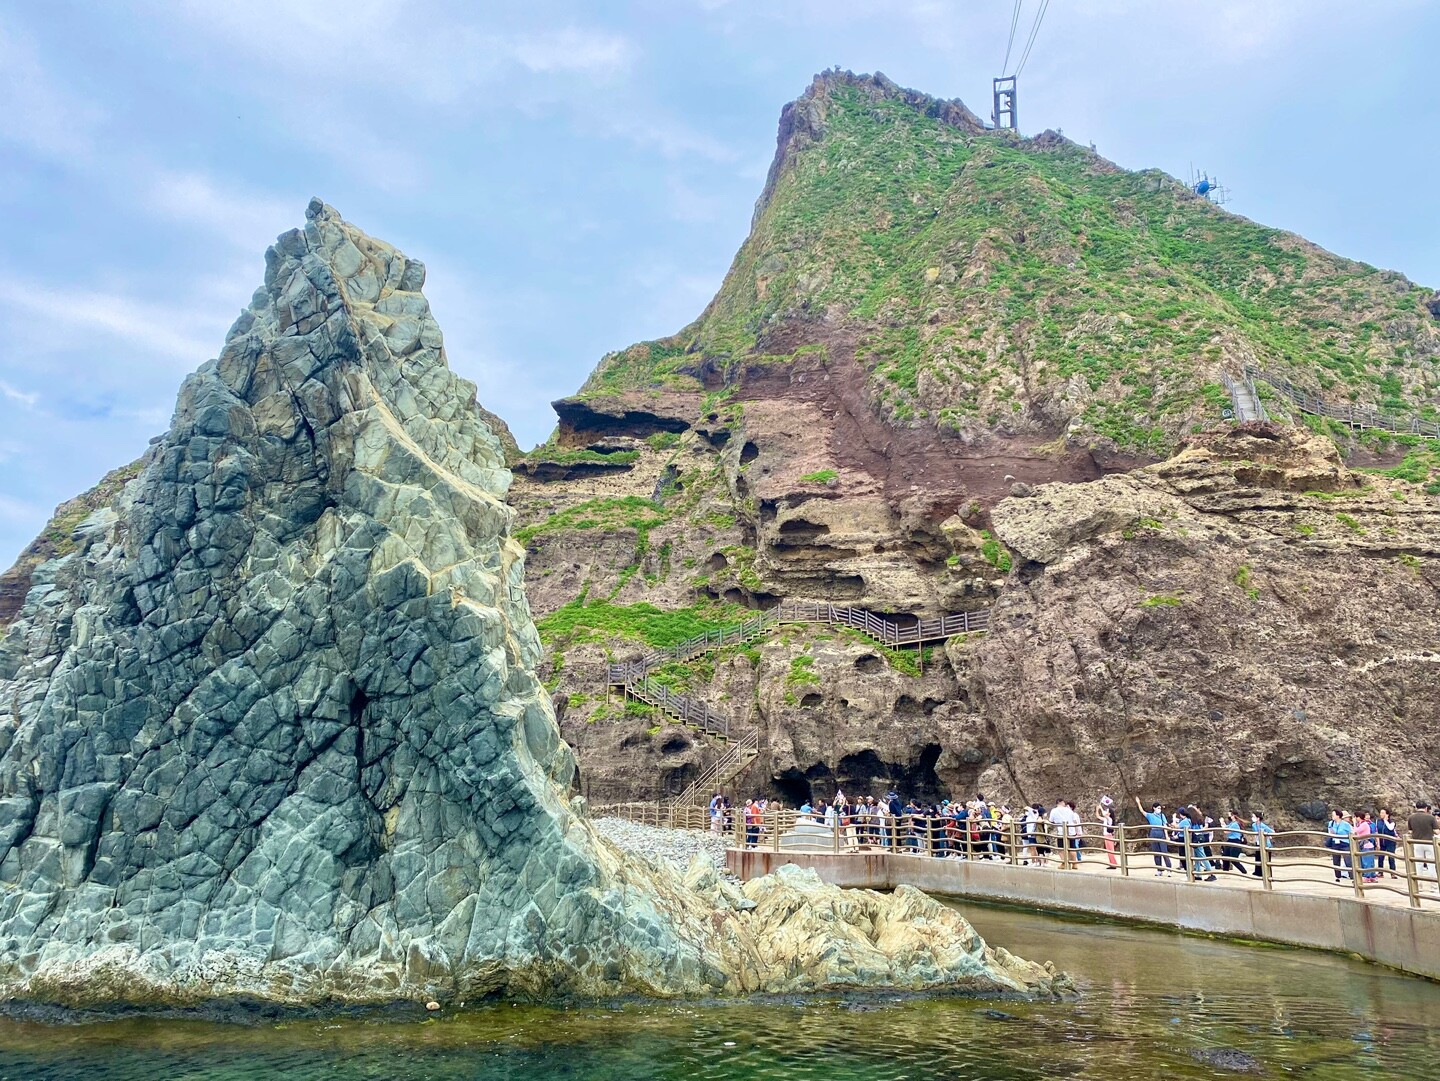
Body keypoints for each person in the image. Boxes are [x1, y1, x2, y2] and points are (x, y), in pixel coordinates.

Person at [1407, 801, 1438, 894]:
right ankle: (1434, 887)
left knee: (1418, 865)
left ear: (1416, 808)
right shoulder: (1430, 817)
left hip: (1416, 843)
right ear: (1425, 808)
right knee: (1431, 865)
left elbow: (1410, 831)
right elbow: (1436, 831)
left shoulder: (1411, 817)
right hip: (1429, 842)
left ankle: (1419, 886)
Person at [1136, 797, 1171, 875]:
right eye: (1158, 808)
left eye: (1160, 808)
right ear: (1154, 808)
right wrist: (1138, 803)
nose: (1159, 809)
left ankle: (1169, 869)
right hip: (1153, 832)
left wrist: (1167, 835)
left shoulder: (1162, 816)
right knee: (1156, 852)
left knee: (1164, 852)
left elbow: (1165, 825)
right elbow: (1142, 811)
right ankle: (1159, 870)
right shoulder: (1150, 815)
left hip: (1161, 832)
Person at [1327, 808, 1353, 882]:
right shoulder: (1331, 823)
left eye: (1334, 814)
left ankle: (1352, 876)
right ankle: (1337, 876)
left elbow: (1352, 832)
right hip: (1335, 842)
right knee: (1336, 860)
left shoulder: (1346, 824)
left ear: (1338, 816)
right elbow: (1329, 832)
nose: (1332, 816)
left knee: (1348, 860)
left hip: (1344, 843)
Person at [1249, 811, 1275, 877]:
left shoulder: (1263, 826)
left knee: (1266, 859)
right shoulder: (1253, 825)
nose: (1252, 818)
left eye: (1254, 817)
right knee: (1258, 857)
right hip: (1258, 843)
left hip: (1266, 844)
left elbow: (1272, 832)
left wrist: (1269, 835)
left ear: (1258, 818)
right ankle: (1258, 872)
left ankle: (1268, 874)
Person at [1375, 808, 1398, 878]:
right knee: (1381, 857)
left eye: (1383, 813)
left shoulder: (1392, 822)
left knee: (1391, 857)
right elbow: (1377, 831)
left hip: (1390, 842)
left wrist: (1385, 820)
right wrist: (1378, 843)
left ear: (1387, 814)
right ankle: (1380, 872)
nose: (1381, 814)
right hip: (1382, 841)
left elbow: (1390, 828)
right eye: (1381, 813)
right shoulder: (1378, 821)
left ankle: (1393, 872)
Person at [1355, 811, 1378, 883]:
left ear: (1358, 817)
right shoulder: (1362, 824)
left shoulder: (1364, 824)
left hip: (1366, 845)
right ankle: (1372, 876)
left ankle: (1367, 876)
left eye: (1355, 817)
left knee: (1367, 861)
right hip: (1365, 844)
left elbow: (1355, 831)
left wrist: (1354, 823)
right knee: (1369, 861)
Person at [1097, 797, 1118, 869]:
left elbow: (1104, 814)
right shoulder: (1106, 819)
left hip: (1108, 835)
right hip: (1106, 835)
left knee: (1110, 850)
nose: (1107, 812)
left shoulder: (1110, 819)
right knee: (1109, 850)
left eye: (1108, 812)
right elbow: (1098, 816)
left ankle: (1113, 864)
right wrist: (1097, 809)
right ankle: (1112, 863)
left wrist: (1101, 808)